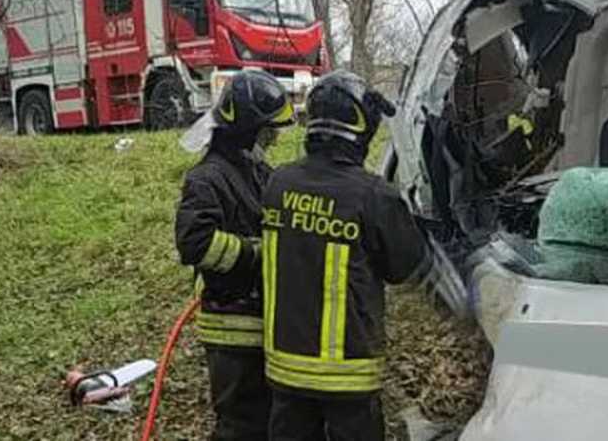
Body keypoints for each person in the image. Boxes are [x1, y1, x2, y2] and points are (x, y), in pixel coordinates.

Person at [260, 70, 468, 441]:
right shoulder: (372, 195)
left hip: (284, 369)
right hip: (347, 374)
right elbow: (406, 266)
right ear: (360, 128)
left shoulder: (277, 183)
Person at [174, 70, 295, 441]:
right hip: (230, 327)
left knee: (265, 421)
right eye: (266, 131)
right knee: (240, 427)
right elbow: (194, 243)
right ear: (245, 130)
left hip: (259, 320)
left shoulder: (254, 170)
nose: (272, 139)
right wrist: (257, 254)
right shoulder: (207, 178)